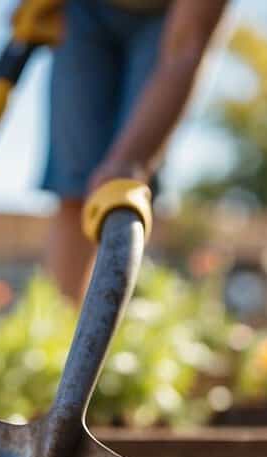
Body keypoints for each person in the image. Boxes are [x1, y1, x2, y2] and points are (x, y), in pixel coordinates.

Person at [40, 0, 230, 299]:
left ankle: (110, 326)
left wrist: (131, 160)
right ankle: (61, 329)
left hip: (166, 17)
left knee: (122, 186)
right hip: (83, 10)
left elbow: (185, 47)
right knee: (75, 185)